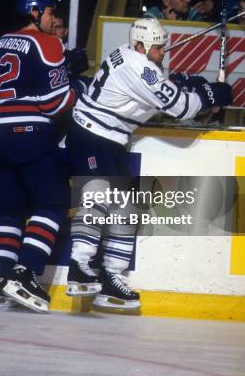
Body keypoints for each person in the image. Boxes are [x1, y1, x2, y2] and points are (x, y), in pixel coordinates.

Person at [65, 18, 232, 310]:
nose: (162, 51)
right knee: (98, 195)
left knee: (126, 207)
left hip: (109, 137)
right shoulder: (139, 67)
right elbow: (180, 108)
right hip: (91, 134)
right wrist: (210, 94)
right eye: (157, 47)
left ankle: (110, 277)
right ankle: (78, 267)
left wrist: (178, 83)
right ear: (140, 46)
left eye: (164, 46)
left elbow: (150, 92)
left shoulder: (130, 55)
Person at [0, 0, 82, 313]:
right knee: (53, 204)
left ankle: (1, 282)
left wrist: (64, 69)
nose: (55, 20)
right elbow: (55, 103)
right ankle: (25, 274)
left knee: (10, 211)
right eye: (51, 12)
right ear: (35, 12)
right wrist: (76, 84)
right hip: (28, 132)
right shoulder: (49, 43)